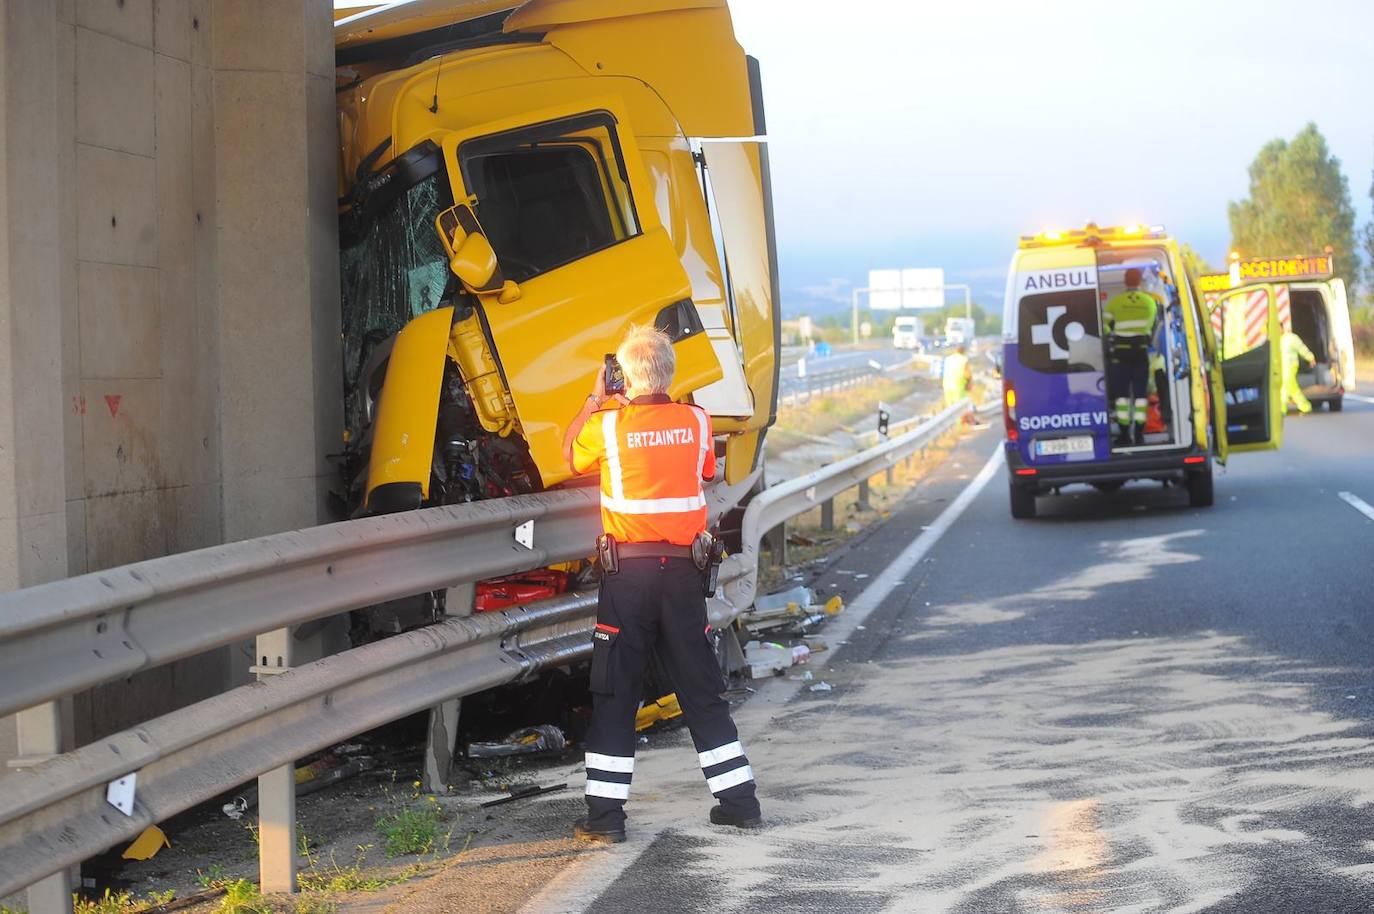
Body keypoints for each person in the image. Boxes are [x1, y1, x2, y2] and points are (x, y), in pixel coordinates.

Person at [561, 325, 763, 844]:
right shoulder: (695, 420)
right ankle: (739, 802)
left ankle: (606, 819)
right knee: (700, 685)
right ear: (671, 374)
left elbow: (569, 458)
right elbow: (707, 471)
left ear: (621, 377)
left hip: (626, 576)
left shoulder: (606, 425)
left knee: (615, 691)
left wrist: (594, 399)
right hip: (682, 576)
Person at [1103, 268, 1160, 446]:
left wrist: (1114, 333)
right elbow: (1152, 326)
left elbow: (1104, 326)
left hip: (1121, 353)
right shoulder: (1149, 302)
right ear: (1139, 281)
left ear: (1125, 281)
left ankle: (1125, 434)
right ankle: (1140, 432)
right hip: (1141, 352)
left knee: (1121, 396)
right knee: (1141, 394)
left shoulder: (1115, 302)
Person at [1280, 325, 1316, 414]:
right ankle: (1282, 409)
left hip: (1290, 366)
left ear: (1282, 328)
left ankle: (1304, 406)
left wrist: (1310, 358)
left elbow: (1302, 348)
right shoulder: (1276, 340)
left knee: (1289, 385)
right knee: (1286, 387)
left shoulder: (1291, 338)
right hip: (1281, 367)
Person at [942, 344, 972, 408]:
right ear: (964, 351)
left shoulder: (948, 359)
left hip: (947, 387)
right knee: (960, 410)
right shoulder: (964, 359)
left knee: (950, 409)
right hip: (959, 388)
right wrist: (970, 382)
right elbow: (967, 374)